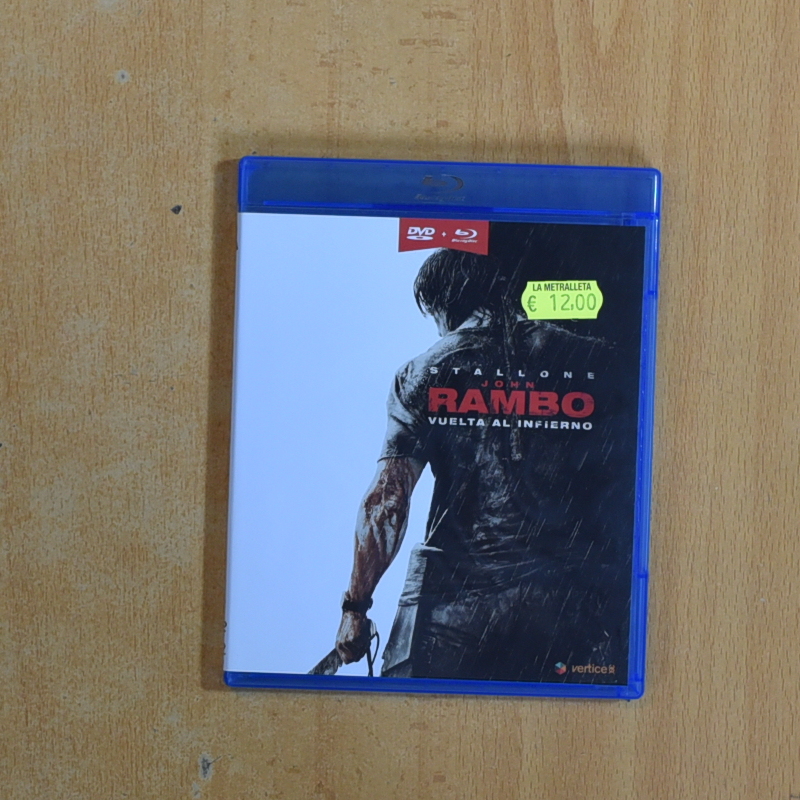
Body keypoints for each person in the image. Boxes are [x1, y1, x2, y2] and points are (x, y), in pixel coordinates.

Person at [335, 245, 637, 683]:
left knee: (414, 718)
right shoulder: (591, 359)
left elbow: (387, 500)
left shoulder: (422, 373)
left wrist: (355, 608)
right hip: (566, 600)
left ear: (442, 304)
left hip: (451, 607)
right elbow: (625, 486)